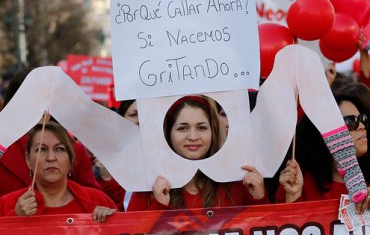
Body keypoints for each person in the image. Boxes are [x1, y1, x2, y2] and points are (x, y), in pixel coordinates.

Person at [127, 95, 268, 211]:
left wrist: (259, 199)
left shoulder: (237, 181)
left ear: (213, 131)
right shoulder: (147, 186)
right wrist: (158, 206)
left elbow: (263, 227)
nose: (193, 136)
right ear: (168, 134)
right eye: (182, 128)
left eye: (202, 127)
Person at [0, 68, 101, 197]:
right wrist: (15, 212)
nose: (36, 106)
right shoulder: (3, 148)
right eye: (28, 98)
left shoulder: (74, 150)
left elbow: (93, 203)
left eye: (43, 98)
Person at [0, 122, 117, 222]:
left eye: (59, 149)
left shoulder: (98, 201)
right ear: (28, 159)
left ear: (71, 159)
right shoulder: (7, 205)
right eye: (42, 149)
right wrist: (15, 219)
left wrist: (109, 224)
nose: (51, 157)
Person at [277, 91, 370, 212]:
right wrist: (293, 198)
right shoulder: (295, 182)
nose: (361, 126)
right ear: (325, 133)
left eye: (362, 119)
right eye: (351, 121)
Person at [92, 99, 138, 211]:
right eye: (134, 114)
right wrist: (107, 179)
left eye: (145, 114)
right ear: (121, 118)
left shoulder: (163, 156)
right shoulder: (104, 155)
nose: (139, 120)